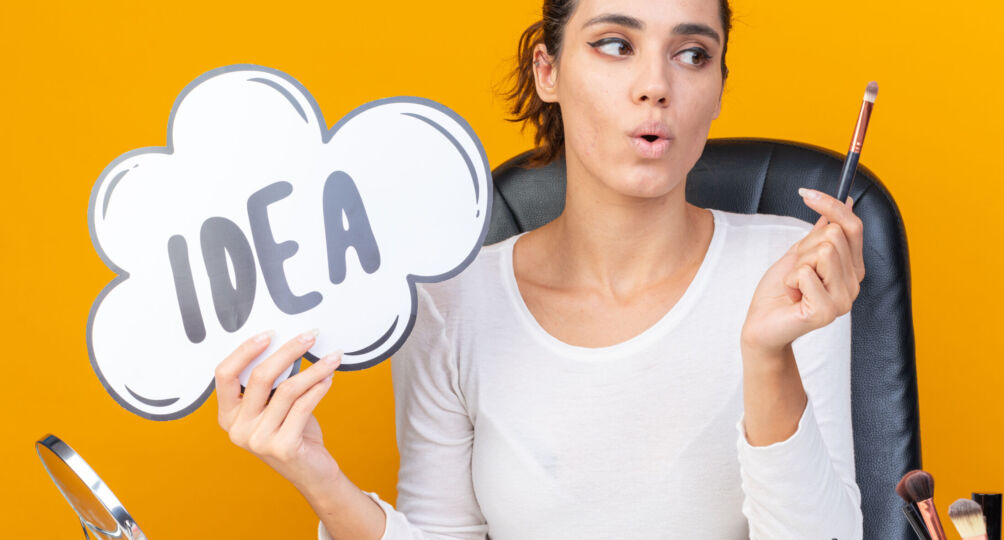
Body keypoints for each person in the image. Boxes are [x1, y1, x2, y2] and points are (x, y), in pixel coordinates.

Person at [213, 0, 867, 538]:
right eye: (615, 44)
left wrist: (766, 355)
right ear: (547, 71)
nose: (656, 86)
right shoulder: (449, 303)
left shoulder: (790, 270)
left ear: (719, 86)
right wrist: (321, 481)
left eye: (692, 54)